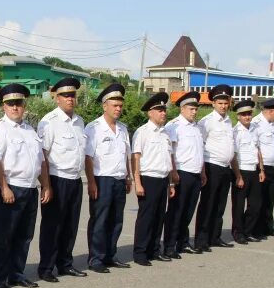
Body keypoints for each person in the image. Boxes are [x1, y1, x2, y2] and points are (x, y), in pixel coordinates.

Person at [0, 83, 52, 288]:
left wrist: (46, 185)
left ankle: (16, 273)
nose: (15, 107)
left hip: (30, 188)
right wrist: (3, 187)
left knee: (24, 235)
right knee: (2, 237)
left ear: (25, 105)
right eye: (10, 104)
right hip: (10, 189)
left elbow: (41, 161)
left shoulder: (30, 130)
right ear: (3, 106)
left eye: (19, 103)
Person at [37, 78, 87, 282]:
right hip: (57, 179)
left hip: (75, 179)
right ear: (56, 99)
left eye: (73, 95)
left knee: (71, 224)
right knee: (52, 225)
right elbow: (43, 156)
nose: (70, 99)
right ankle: (46, 267)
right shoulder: (49, 121)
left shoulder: (79, 121)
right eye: (65, 96)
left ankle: (65, 263)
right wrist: (46, 185)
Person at [84, 83, 132, 273]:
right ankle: (96, 258)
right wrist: (92, 182)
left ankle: (110, 255)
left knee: (116, 220)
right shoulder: (93, 128)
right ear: (105, 106)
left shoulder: (123, 129)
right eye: (114, 105)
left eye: (120, 105)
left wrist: (128, 177)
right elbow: (88, 158)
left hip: (119, 180)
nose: (118, 109)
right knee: (100, 220)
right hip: (102, 179)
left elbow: (125, 154)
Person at [131, 92, 177, 266]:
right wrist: (138, 183)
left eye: (164, 110)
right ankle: (140, 252)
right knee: (146, 218)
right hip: (148, 179)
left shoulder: (165, 133)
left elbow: (168, 158)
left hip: (163, 178)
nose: (163, 113)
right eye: (159, 110)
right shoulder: (142, 132)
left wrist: (171, 182)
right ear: (150, 113)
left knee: (159, 217)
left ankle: (154, 250)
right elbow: (135, 158)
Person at [161, 91, 206, 258]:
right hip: (181, 173)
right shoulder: (174, 126)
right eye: (191, 109)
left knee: (188, 211)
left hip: (195, 173)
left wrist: (202, 171)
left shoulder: (197, 127)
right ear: (182, 109)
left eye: (196, 109)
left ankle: (183, 242)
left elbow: (199, 151)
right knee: (176, 212)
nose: (194, 112)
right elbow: (170, 152)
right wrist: (173, 173)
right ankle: (169, 245)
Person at [194, 84, 235, 251]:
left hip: (225, 168)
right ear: (213, 104)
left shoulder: (228, 121)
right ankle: (201, 240)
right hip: (212, 166)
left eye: (226, 103)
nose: (223, 106)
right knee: (208, 204)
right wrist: (202, 169)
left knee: (220, 205)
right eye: (220, 103)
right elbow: (200, 145)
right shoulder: (207, 122)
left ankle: (215, 237)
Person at [230, 99, 265, 244]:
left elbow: (258, 150)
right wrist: (238, 176)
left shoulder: (255, 129)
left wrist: (261, 169)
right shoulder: (235, 132)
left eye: (249, 114)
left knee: (255, 205)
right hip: (241, 172)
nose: (247, 117)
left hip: (254, 170)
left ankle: (248, 230)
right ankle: (238, 232)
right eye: (243, 114)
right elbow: (234, 156)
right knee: (238, 206)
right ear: (238, 116)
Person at [251, 96, 274, 238]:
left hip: (271, 167)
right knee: (258, 200)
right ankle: (256, 229)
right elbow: (255, 147)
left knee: (269, 199)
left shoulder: (271, 124)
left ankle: (268, 227)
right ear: (272, 111)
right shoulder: (256, 124)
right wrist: (261, 168)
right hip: (260, 167)